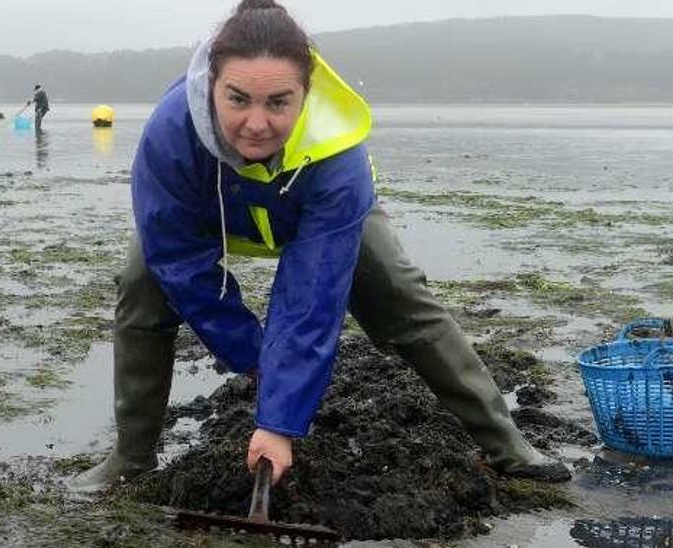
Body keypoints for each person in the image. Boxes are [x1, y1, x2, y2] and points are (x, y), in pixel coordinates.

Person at [70, 0, 571, 492]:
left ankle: (506, 442)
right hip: (211, 213)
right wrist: (260, 362)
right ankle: (132, 457)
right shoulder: (170, 133)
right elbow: (177, 258)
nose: (257, 123)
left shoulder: (338, 155)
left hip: (316, 213)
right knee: (143, 282)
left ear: (305, 93)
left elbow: (310, 295)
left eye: (279, 102)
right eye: (238, 99)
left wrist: (279, 422)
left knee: (400, 292)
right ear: (210, 86)